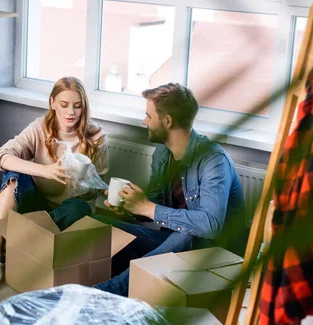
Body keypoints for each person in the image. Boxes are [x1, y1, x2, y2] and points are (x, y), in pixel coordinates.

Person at [94, 83, 245, 296]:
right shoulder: (162, 153)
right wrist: (130, 205)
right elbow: (155, 202)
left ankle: (108, 291)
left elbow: (210, 226)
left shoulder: (213, 160)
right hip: (174, 244)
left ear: (167, 121)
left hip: (216, 254)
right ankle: (119, 286)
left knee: (187, 233)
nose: (144, 121)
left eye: (148, 116)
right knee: (105, 225)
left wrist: (147, 208)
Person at [0, 76, 109, 292]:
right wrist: (45, 171)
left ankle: (22, 246)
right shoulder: (40, 128)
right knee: (13, 174)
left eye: (77, 106)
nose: (71, 113)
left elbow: (99, 186)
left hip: (68, 213)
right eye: (64, 105)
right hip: (35, 203)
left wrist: (91, 184)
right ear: (52, 103)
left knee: (81, 208)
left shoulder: (96, 136)